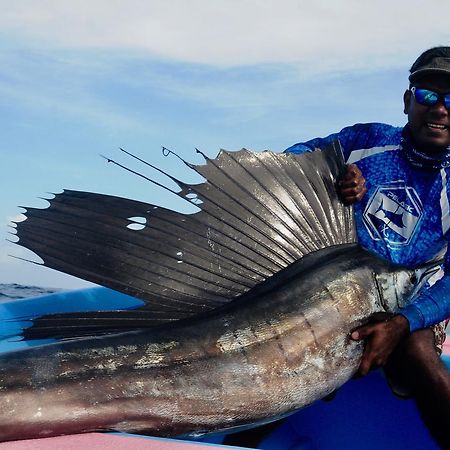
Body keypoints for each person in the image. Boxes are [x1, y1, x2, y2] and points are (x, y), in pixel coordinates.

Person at [285, 46, 450, 448]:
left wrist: (404, 321)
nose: (440, 109)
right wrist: (329, 175)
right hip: (335, 293)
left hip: (415, 302)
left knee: (416, 351)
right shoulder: (365, 141)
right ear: (408, 100)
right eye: (428, 95)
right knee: (282, 344)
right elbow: (286, 161)